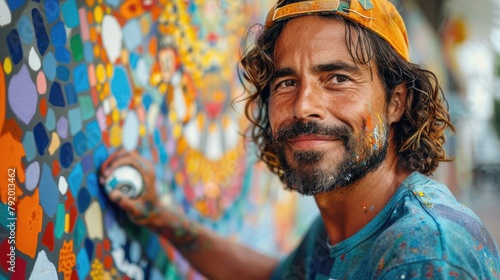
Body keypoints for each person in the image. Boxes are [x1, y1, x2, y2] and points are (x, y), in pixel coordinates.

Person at [100, 0, 500, 279]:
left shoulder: (423, 253)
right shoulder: (347, 222)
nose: (304, 105)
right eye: (287, 82)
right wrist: (159, 216)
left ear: (395, 102)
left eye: (337, 79)